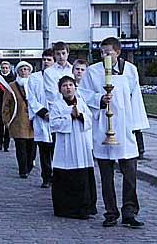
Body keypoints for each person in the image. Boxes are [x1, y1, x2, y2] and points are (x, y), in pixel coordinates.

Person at [81, 37, 150, 228]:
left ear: (118, 52)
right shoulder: (93, 72)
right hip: (103, 127)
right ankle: (110, 212)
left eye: (108, 52)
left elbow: (136, 98)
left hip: (125, 128)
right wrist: (100, 99)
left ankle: (129, 211)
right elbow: (83, 94)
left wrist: (137, 128)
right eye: (102, 52)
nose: (104, 56)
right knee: (106, 176)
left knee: (129, 174)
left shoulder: (130, 70)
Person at [49, 76, 97, 219]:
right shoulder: (57, 105)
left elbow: (90, 120)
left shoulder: (82, 103)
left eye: (70, 85)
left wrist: (81, 116)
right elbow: (53, 124)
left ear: (75, 87)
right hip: (65, 145)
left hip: (81, 144)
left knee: (83, 175)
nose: (68, 88)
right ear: (60, 89)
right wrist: (70, 117)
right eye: (64, 85)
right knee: (66, 176)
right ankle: (67, 209)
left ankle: (85, 207)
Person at [26, 49, 55, 188]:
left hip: (56, 118)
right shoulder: (35, 77)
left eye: (49, 59)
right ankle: (46, 177)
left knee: (57, 150)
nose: (46, 62)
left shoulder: (58, 77)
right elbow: (31, 98)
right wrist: (43, 112)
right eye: (44, 59)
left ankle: (59, 176)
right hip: (41, 117)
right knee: (44, 151)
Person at [3, 61, 36, 178]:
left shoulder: (34, 84)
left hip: (33, 122)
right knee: (20, 147)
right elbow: (6, 104)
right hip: (18, 121)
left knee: (31, 148)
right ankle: (23, 170)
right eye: (21, 69)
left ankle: (29, 164)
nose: (24, 71)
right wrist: (6, 120)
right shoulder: (11, 86)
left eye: (26, 69)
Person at [0, 61, 15, 151]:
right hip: (0, 103)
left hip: (9, 103)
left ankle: (6, 144)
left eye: (6, 68)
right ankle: (0, 142)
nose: (4, 69)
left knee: (7, 125)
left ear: (9, 69)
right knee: (0, 125)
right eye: (3, 68)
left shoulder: (13, 78)